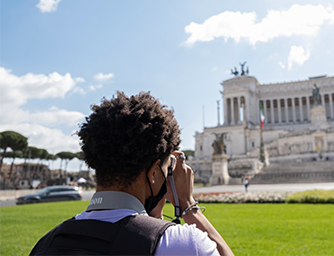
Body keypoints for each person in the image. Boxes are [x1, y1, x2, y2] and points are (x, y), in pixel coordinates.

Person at [30, 92, 234, 256]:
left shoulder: (46, 243)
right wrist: (189, 206)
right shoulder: (182, 244)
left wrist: (154, 216)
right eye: (165, 168)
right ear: (154, 173)